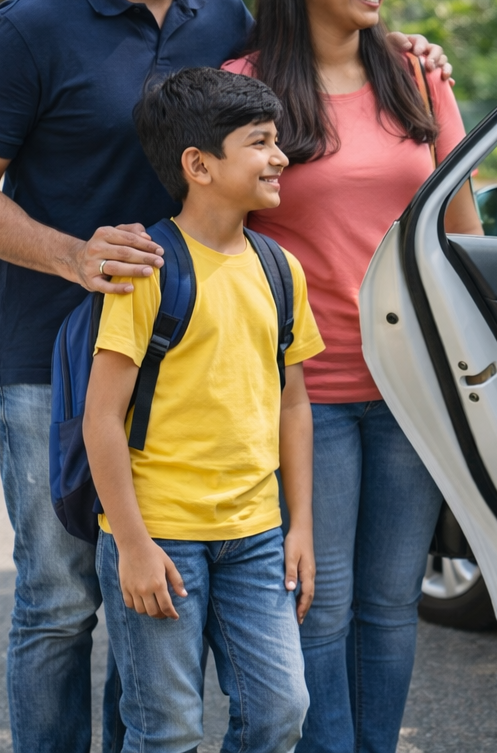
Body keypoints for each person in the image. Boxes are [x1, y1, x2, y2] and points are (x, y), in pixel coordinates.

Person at [0, 0, 452, 752]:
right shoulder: (31, 28)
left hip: (191, 364)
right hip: (52, 355)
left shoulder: (227, 21)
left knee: (156, 601)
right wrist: (74, 254)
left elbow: (318, 76)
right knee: (61, 601)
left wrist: (404, 50)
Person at [221, 0, 479, 753]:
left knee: (389, 604)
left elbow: (461, 229)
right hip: (303, 395)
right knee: (318, 604)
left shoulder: (417, 77)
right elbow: (218, 242)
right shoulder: (245, 88)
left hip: (410, 388)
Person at [85, 66, 324, 753]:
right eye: (260, 142)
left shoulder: (281, 269)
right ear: (199, 165)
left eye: (276, 140)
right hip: (160, 537)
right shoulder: (148, 268)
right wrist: (132, 545)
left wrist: (301, 525)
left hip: (256, 535)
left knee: (281, 711)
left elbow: (294, 403)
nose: (280, 157)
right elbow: (101, 418)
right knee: (167, 729)